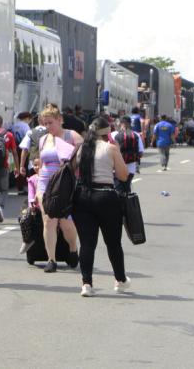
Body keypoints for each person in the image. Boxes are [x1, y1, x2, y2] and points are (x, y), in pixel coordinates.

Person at [73, 117, 131, 297]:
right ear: (107, 133)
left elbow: (74, 170)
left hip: (82, 196)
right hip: (106, 196)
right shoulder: (111, 148)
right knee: (113, 242)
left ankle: (87, 284)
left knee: (87, 243)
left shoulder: (82, 148)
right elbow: (123, 175)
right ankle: (120, 280)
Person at [36, 103, 82, 273]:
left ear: (60, 120)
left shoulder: (71, 135)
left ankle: (72, 247)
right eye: (45, 123)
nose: (48, 126)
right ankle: (51, 259)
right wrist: (36, 188)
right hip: (45, 184)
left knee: (65, 222)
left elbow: (85, 154)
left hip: (64, 185)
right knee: (48, 220)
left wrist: (72, 159)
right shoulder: (43, 139)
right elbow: (41, 164)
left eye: (51, 123)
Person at [0, 115, 19, 224]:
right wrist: (17, 167)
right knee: (4, 190)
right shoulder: (8, 135)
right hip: (3, 166)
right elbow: (14, 152)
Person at [111, 116, 144, 193]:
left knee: (118, 191)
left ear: (120, 123)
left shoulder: (113, 134)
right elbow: (141, 153)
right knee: (127, 189)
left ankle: (121, 204)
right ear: (130, 124)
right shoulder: (136, 135)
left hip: (116, 169)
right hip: (130, 170)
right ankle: (127, 204)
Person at [19, 157, 40, 254]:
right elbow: (30, 195)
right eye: (35, 165)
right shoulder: (32, 179)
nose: (37, 167)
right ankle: (27, 240)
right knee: (23, 217)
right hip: (35, 208)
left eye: (39, 165)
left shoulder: (51, 177)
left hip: (48, 207)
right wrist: (32, 206)